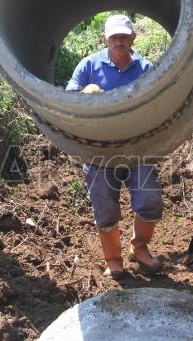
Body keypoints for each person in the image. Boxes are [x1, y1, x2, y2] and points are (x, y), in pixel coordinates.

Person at [66, 14, 163, 279]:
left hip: (137, 148)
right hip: (99, 150)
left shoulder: (146, 68)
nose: (119, 41)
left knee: (150, 201)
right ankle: (113, 260)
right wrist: (86, 96)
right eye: (114, 37)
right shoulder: (89, 65)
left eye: (124, 36)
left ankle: (139, 248)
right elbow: (69, 98)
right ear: (105, 38)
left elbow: (159, 102)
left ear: (133, 37)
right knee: (105, 208)